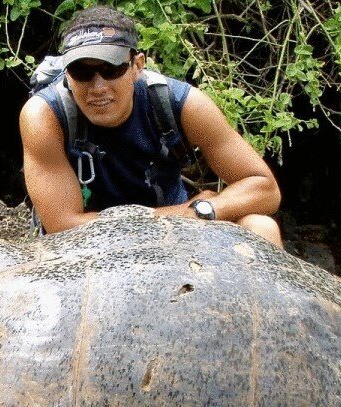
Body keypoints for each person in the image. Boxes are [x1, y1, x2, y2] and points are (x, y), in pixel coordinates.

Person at [20, 6, 282, 245]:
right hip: (92, 243)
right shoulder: (45, 115)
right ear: (67, 74)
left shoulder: (179, 103)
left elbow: (265, 188)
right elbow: (63, 224)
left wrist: (205, 211)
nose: (98, 87)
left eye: (111, 70)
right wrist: (179, 214)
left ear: (137, 66)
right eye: (82, 73)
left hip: (180, 233)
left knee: (261, 226)